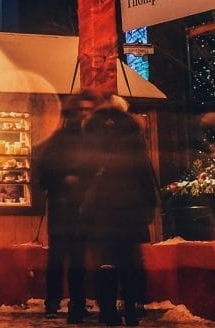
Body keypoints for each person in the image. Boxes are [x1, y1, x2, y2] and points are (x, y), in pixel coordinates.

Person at [79, 94, 155, 327]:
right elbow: (144, 169)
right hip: (129, 206)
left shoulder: (92, 132)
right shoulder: (132, 132)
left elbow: (84, 171)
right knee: (130, 261)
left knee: (106, 262)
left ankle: (108, 312)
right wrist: (149, 203)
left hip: (101, 207)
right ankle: (131, 309)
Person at [36, 91, 99, 321]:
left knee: (76, 259)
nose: (85, 114)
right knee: (60, 257)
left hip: (77, 207)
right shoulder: (65, 139)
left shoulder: (86, 139)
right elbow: (45, 173)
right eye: (82, 109)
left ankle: (74, 302)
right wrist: (67, 179)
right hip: (65, 206)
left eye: (88, 109)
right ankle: (55, 302)